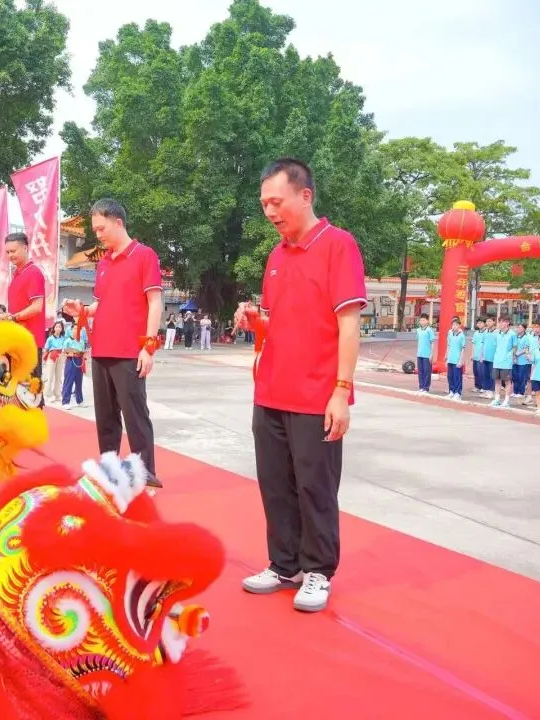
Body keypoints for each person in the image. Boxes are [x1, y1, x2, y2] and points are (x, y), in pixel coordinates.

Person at [237, 158, 366, 613]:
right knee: (275, 483)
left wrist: (341, 391)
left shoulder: (338, 246)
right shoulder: (276, 255)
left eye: (277, 201)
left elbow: (348, 325)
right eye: (264, 204)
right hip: (270, 390)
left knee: (315, 485)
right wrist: (255, 320)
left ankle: (317, 570)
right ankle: (283, 563)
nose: (270, 211)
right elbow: (275, 324)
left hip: (316, 394)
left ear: (304, 196)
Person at [61, 198, 163, 482]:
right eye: (95, 230)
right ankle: (109, 469)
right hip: (101, 349)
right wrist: (81, 311)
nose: (98, 235)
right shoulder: (103, 263)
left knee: (135, 415)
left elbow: (155, 302)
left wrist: (148, 347)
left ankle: (145, 473)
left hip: (130, 351)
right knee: (105, 418)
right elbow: (100, 305)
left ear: (119, 222)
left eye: (102, 228)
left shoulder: (144, 255)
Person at [0, 232, 47, 377]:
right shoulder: (16, 274)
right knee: (19, 389)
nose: (10, 255)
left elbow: (37, 306)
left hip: (30, 340)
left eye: (13, 251)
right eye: (7, 252)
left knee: (32, 389)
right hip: (17, 338)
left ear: (25, 248)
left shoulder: (33, 273)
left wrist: (15, 317)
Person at [490, 317, 516, 408]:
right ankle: (497, 399)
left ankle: (507, 400)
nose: (500, 324)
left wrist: (512, 356)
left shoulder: (512, 334)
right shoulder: (497, 333)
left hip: (506, 362)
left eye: (503, 322)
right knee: (497, 380)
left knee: (507, 381)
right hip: (497, 361)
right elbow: (496, 346)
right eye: (499, 322)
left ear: (507, 323)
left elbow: (514, 346)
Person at [60, 324, 87, 408]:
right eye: (75, 328)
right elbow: (64, 352)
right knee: (69, 381)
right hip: (71, 361)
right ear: (71, 331)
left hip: (79, 361)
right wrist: (70, 352)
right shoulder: (68, 341)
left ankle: (79, 400)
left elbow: (83, 351)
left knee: (79, 381)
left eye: (78, 329)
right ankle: (65, 402)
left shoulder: (81, 341)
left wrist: (83, 354)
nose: (76, 330)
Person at [42, 322, 67, 403]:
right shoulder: (50, 339)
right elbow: (46, 349)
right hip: (52, 356)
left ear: (62, 329)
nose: (58, 328)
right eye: (57, 327)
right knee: (50, 376)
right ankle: (47, 395)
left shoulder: (63, 338)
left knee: (59, 376)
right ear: (54, 328)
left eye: (60, 327)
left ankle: (57, 394)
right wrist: (45, 358)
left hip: (60, 356)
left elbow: (65, 347)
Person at [444, 318, 466, 400]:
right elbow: (448, 346)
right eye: (453, 325)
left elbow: (463, 349)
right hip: (450, 359)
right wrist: (446, 356)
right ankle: (451, 391)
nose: (454, 326)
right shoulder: (450, 333)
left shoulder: (461, 336)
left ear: (459, 325)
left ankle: (458, 393)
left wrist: (461, 360)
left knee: (457, 377)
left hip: (457, 360)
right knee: (450, 376)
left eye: (456, 325)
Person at [414, 313, 436, 393]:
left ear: (427, 321)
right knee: (420, 371)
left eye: (423, 320)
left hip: (427, 355)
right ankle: (421, 386)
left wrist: (431, 354)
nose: (422, 321)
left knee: (427, 371)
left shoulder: (429, 330)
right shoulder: (418, 330)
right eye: (420, 320)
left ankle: (426, 388)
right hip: (419, 354)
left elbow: (432, 342)